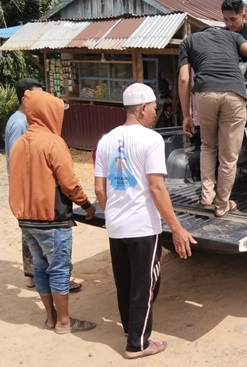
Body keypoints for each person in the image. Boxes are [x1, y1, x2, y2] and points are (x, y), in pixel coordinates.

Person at [94, 83, 197, 359]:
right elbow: (156, 188)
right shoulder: (150, 140)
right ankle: (137, 344)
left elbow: (99, 190)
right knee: (146, 284)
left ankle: (131, 329)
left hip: (116, 227)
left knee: (126, 282)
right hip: (142, 227)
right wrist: (176, 228)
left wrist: (114, 213)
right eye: (153, 108)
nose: (155, 113)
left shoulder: (105, 140)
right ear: (142, 108)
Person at [8, 89, 96, 334]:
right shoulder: (53, 143)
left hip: (26, 221)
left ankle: (51, 318)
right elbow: (69, 184)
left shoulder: (19, 145)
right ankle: (65, 322)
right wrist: (87, 205)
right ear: (48, 112)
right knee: (58, 269)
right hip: (51, 220)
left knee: (40, 268)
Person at [178, 26, 247, 217]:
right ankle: (222, 204)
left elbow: (183, 79)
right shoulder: (232, 36)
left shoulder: (188, 41)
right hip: (234, 93)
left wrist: (186, 115)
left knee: (208, 146)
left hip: (205, 93)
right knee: (228, 155)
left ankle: (206, 198)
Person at [5, 78, 83, 293]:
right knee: (48, 254)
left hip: (31, 198)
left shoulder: (29, 124)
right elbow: (18, 163)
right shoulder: (22, 124)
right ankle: (61, 311)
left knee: (37, 251)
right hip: (36, 199)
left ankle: (34, 279)